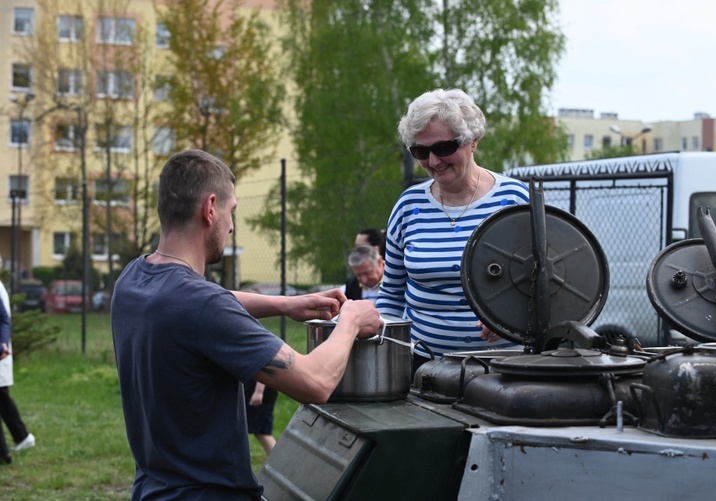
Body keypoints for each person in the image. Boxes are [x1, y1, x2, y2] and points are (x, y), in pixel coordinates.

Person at [111, 149, 381, 500]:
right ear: (210, 209)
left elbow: (204, 302)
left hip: (153, 489)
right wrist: (351, 320)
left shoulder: (134, 279)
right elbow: (315, 382)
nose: (232, 224)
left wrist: (286, 304)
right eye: (231, 210)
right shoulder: (203, 306)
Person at [376, 88, 530, 375]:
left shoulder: (516, 199)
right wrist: (382, 355)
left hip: (505, 369)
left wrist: (514, 315)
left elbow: (547, 285)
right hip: (424, 367)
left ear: (473, 141)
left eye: (445, 148)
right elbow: (392, 295)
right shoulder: (409, 206)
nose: (434, 162)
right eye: (421, 151)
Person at [0, 280, 36, 465]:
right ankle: (20, 437)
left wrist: (2, 344)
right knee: (3, 400)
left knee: (3, 400)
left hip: (1, 353)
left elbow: (4, 320)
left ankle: (15, 441)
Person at [243, 381, 277, 457]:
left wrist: (259, 391)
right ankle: (279, 462)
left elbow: (265, 369)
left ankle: (279, 462)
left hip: (257, 391)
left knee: (263, 433)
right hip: (258, 389)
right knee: (262, 432)